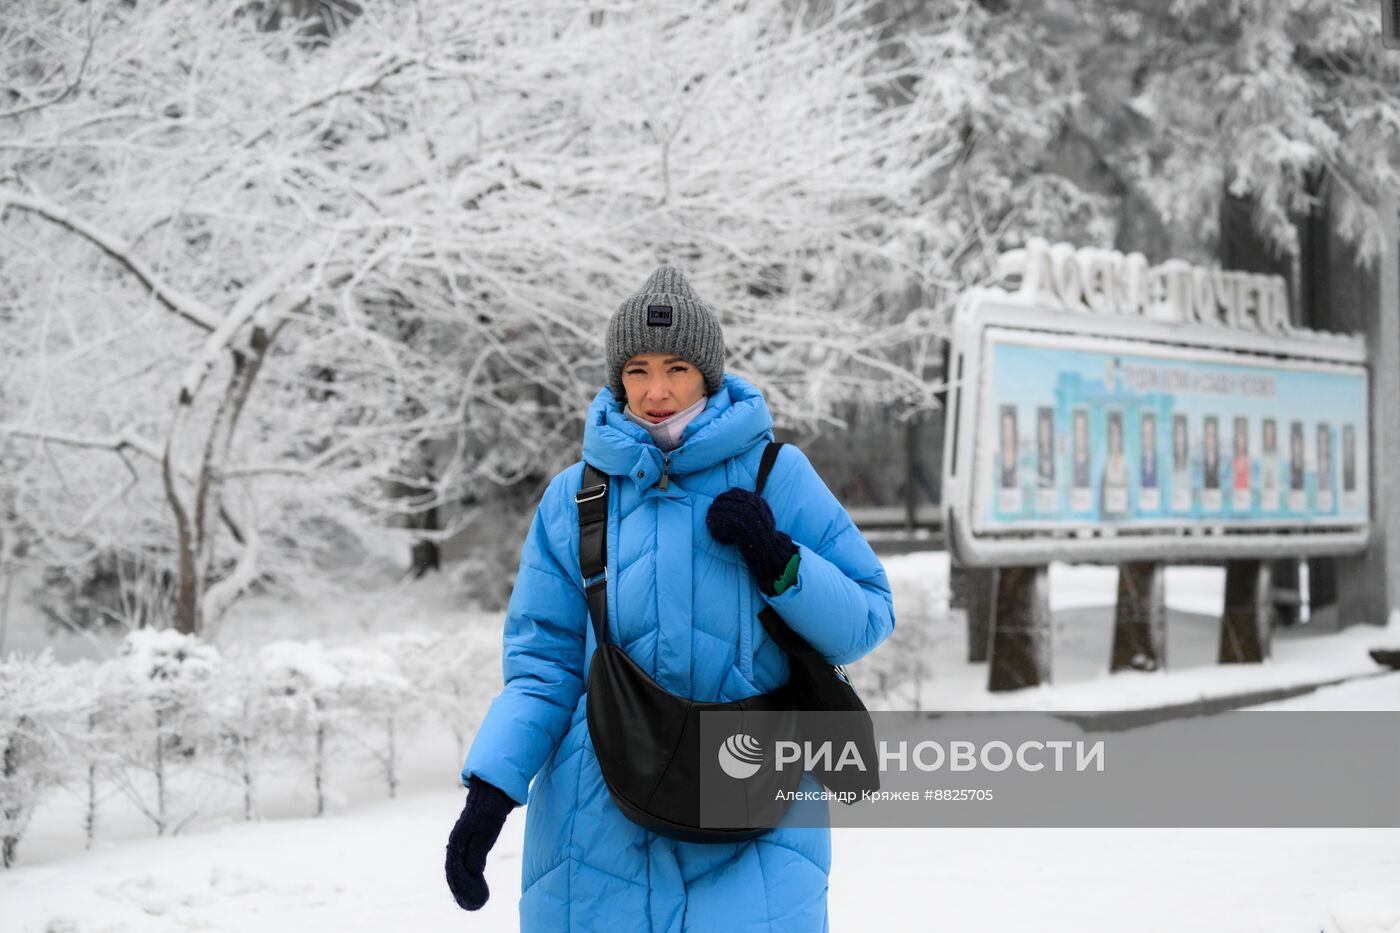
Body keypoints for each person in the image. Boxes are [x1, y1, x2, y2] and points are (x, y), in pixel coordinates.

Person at [443, 265, 896, 932]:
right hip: (595, 832)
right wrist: (491, 790)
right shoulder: (576, 497)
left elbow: (867, 618)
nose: (656, 391)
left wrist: (778, 559)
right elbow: (544, 667)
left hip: (755, 819)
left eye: (676, 368)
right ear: (618, 378)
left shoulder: (776, 475)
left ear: (706, 374)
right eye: (638, 370)